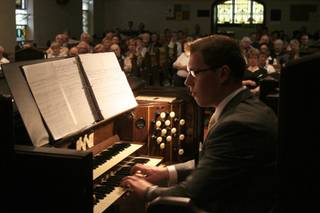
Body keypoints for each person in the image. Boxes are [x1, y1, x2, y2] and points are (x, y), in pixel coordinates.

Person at [121, 34, 278, 213]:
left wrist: (148, 191)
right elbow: (216, 163)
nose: (187, 82)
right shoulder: (240, 106)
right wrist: (166, 173)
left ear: (223, 74)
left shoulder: (238, 125)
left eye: (194, 72)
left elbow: (191, 195)